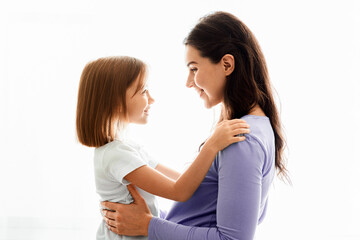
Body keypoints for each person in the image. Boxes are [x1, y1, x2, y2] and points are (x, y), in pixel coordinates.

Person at [101, 11, 289, 240]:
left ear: (227, 64)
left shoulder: (241, 138)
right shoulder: (248, 129)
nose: (189, 82)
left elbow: (233, 239)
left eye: (194, 68)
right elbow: (198, 213)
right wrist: (148, 220)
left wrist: (149, 226)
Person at [76, 56, 250, 240]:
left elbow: (182, 180)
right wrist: (212, 145)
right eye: (143, 91)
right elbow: (179, 191)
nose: (151, 99)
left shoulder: (128, 148)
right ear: (116, 102)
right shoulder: (116, 155)